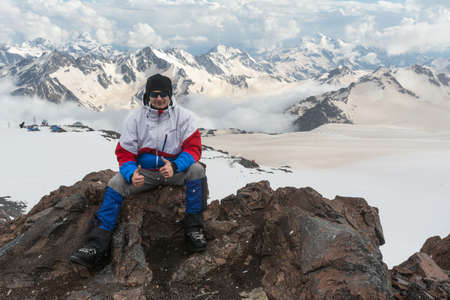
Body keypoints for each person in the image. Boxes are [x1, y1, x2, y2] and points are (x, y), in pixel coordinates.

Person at [70, 74, 208, 268]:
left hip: (173, 170)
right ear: (147, 95)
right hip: (146, 174)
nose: (159, 99)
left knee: (196, 171)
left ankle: (194, 229)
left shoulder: (184, 117)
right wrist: (131, 173)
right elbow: (125, 153)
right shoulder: (135, 119)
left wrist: (175, 166)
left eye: (163, 94)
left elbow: (194, 149)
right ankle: (97, 244)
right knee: (116, 184)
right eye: (154, 94)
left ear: (170, 95)